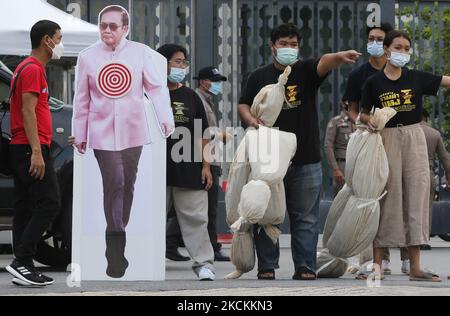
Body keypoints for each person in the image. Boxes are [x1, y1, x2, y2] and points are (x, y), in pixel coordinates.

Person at [238, 23, 361, 280]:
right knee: (268, 216)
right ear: (272, 46)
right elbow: (243, 104)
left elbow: (324, 62)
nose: (288, 49)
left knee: (306, 220)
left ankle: (305, 266)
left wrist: (339, 57)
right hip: (268, 159)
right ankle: (267, 267)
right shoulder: (258, 76)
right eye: (283, 44)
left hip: (306, 159)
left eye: (293, 44)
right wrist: (251, 120)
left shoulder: (304, 71)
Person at [72, 5, 174, 279]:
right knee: (114, 182)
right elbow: (82, 100)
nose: (106, 30)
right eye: (102, 25)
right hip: (101, 132)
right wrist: (79, 133)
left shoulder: (140, 53)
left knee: (128, 183)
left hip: (133, 131)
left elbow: (156, 87)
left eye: (112, 26)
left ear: (125, 28)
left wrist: (165, 117)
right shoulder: (87, 57)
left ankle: (119, 228)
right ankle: (114, 245)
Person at [360, 30, 450, 282]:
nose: (402, 52)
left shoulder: (416, 78)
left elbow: (444, 79)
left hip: (414, 137)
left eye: (407, 48)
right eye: (398, 47)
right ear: (387, 50)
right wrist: (371, 121)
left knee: (416, 198)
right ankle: (377, 265)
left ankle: (415, 267)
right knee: (385, 198)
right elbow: (363, 113)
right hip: (385, 138)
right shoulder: (373, 82)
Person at [5, 20, 63, 287]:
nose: (60, 43)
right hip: (30, 146)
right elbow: (28, 111)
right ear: (46, 41)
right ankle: (22, 260)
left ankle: (24, 266)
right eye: (58, 38)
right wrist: (37, 151)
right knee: (50, 202)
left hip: (24, 146)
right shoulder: (32, 69)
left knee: (26, 207)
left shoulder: (26, 68)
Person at [157, 44, 216, 281]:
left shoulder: (191, 96)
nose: (182, 66)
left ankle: (204, 264)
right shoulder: (149, 93)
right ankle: (142, 261)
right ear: (162, 63)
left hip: (188, 168)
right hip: (156, 172)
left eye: (183, 61)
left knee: (196, 219)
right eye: (177, 61)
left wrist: (206, 166)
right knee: (150, 220)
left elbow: (203, 133)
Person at [166, 67, 231, 262]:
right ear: (203, 82)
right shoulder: (194, 98)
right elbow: (201, 132)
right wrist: (222, 136)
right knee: (205, 209)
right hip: (195, 159)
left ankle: (174, 244)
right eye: (215, 80)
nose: (218, 84)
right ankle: (210, 247)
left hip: (203, 158)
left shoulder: (204, 100)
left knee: (192, 208)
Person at [344, 22, 393, 120]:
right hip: (369, 130)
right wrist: (362, 124)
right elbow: (352, 110)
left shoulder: (400, 72)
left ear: (388, 44)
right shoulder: (357, 75)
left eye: (380, 40)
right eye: (371, 39)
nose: (374, 43)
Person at [324, 101, 356, 196]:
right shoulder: (335, 121)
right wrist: (335, 169)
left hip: (359, 165)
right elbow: (328, 145)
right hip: (343, 165)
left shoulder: (360, 121)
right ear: (342, 104)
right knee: (342, 198)